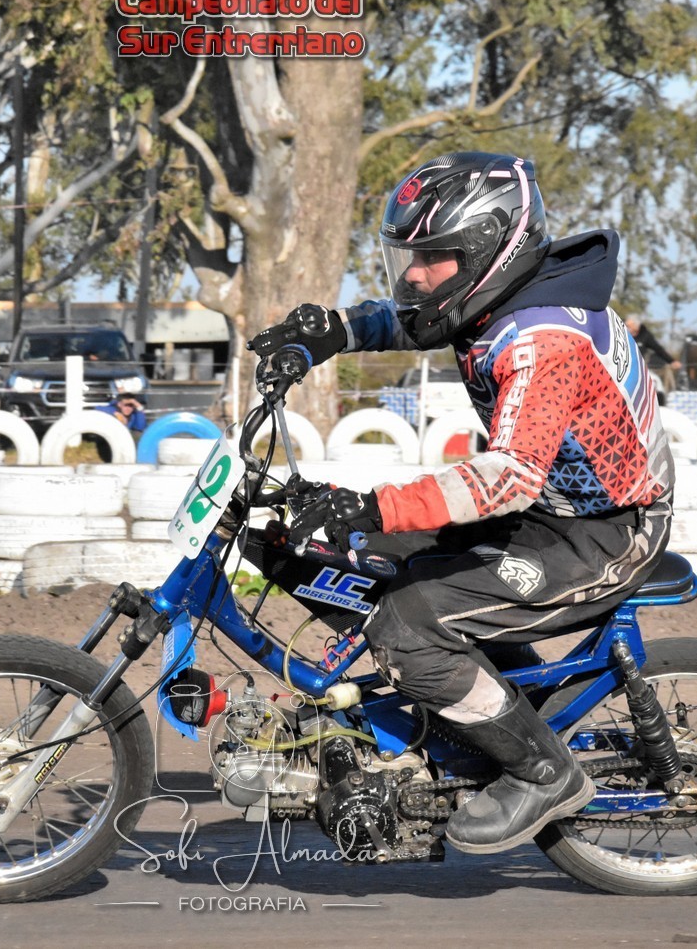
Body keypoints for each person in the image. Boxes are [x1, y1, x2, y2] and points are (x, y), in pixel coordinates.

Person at [249, 151, 674, 856]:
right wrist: (331, 331)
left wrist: (373, 506)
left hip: (604, 532)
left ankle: (543, 772)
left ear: (485, 250)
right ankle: (467, 704)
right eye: (409, 257)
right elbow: (411, 322)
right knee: (346, 555)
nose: (414, 275)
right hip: (549, 511)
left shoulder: (545, 340)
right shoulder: (494, 298)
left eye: (432, 257)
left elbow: (509, 477)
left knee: (405, 627)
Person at [624, 314, 681, 398]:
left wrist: (671, 361)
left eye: (629, 326)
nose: (627, 328)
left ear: (636, 327)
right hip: (622, 366)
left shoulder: (645, 335)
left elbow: (658, 349)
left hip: (637, 369)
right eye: (626, 325)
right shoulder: (622, 333)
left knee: (655, 381)